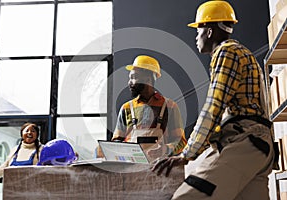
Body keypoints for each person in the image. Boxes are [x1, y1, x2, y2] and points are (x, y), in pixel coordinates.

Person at [152, 1, 275, 200]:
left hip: (244, 142)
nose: (196, 37)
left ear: (209, 31)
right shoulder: (241, 52)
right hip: (258, 147)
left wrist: (187, 154)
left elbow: (213, 107)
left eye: (198, 29)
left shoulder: (227, 52)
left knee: (186, 197)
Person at [110, 54, 187, 161]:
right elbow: (116, 142)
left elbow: (181, 142)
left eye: (134, 77)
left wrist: (165, 149)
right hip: (130, 170)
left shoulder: (170, 107)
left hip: (160, 170)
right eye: (129, 78)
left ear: (148, 79)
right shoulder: (126, 108)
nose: (129, 83)